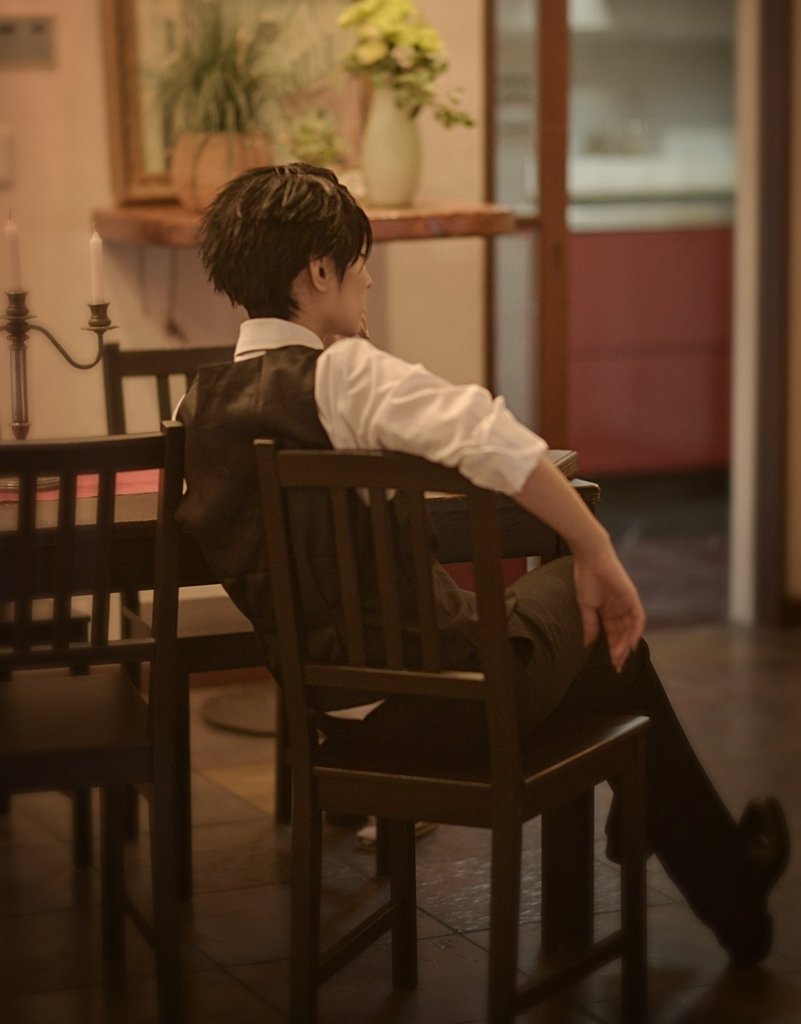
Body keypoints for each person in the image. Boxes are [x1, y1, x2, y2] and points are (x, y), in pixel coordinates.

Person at [176, 161, 788, 967]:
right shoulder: (342, 374)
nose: (366, 285)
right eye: (360, 268)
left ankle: (703, 863)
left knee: (609, 668)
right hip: (456, 705)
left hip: (333, 714)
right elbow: (493, 435)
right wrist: (596, 550)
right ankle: (682, 844)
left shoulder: (196, 405)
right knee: (592, 605)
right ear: (319, 272)